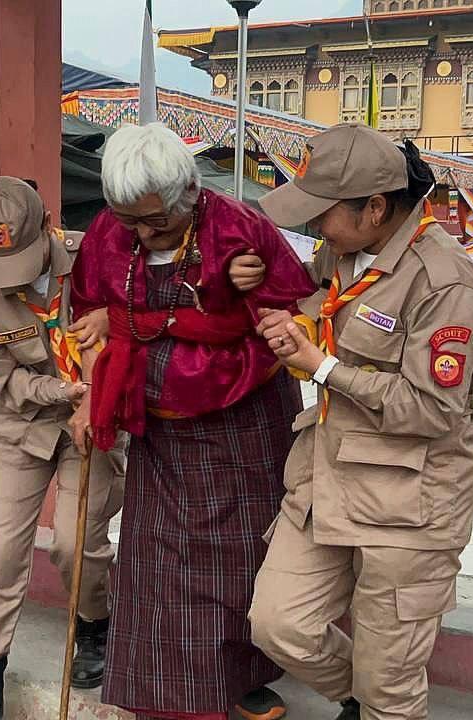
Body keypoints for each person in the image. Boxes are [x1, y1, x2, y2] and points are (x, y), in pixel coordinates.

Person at [69, 123, 316, 720]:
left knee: (236, 560)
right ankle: (167, 696)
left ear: (188, 193)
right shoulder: (108, 233)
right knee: (160, 565)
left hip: (242, 421)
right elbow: (85, 309)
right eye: (129, 221)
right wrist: (92, 387)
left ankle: (240, 680)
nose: (141, 234)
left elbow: (291, 312)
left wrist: (250, 303)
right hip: (158, 426)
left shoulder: (239, 228)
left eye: (155, 221)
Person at [247, 124, 473, 720]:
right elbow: (318, 305)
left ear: (376, 207)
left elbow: (433, 408)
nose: (314, 226)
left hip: (409, 506)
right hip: (326, 482)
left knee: (390, 687)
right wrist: (296, 325)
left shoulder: (445, 282)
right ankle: (359, 697)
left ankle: (377, 703)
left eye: (324, 212)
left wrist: (324, 368)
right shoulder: (339, 253)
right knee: (279, 624)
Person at [0, 177, 125, 720]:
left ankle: (93, 626)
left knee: (76, 545)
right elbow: (6, 381)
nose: (15, 278)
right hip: (23, 422)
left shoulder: (94, 260)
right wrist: (61, 391)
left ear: (49, 223)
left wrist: (93, 396)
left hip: (92, 418)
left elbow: (131, 335)